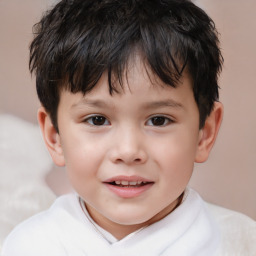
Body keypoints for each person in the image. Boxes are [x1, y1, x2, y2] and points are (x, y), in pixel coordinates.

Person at [2, 0, 255, 255]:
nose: (128, 150)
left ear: (205, 133)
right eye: (97, 120)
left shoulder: (239, 243)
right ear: (54, 136)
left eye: (158, 120)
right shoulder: (29, 246)